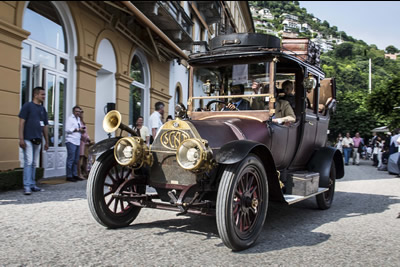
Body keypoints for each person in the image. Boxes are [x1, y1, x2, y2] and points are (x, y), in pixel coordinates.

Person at [18, 87, 49, 195]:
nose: (44, 96)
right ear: (35, 95)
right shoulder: (27, 106)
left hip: (38, 139)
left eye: (44, 94)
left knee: (34, 163)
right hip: (27, 138)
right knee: (29, 161)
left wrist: (47, 141)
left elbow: (45, 126)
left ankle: (32, 184)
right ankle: (27, 186)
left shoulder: (42, 109)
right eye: (42, 94)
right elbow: (21, 122)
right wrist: (21, 138)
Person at [65, 106, 85, 182]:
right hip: (71, 140)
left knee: (76, 159)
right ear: (73, 111)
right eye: (77, 111)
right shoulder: (70, 119)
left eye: (79, 111)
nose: (78, 113)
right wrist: (77, 129)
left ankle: (75, 174)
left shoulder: (79, 119)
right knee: (71, 159)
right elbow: (67, 129)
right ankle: (69, 175)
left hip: (77, 141)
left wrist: (81, 131)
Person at [78, 109, 92, 179]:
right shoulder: (78, 122)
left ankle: (86, 172)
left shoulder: (83, 122)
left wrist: (88, 138)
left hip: (85, 142)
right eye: (80, 112)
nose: (81, 114)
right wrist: (87, 138)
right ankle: (80, 173)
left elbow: (86, 132)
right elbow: (81, 133)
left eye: (82, 112)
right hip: (81, 141)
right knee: (81, 158)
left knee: (85, 158)